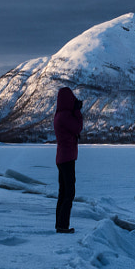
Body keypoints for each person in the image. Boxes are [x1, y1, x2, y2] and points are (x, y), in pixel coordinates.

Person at [52, 87, 83, 234]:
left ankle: (60, 224)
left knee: (63, 192)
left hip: (62, 157)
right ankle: (63, 226)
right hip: (67, 157)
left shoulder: (59, 115)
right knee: (69, 193)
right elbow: (78, 128)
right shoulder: (65, 116)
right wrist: (77, 111)